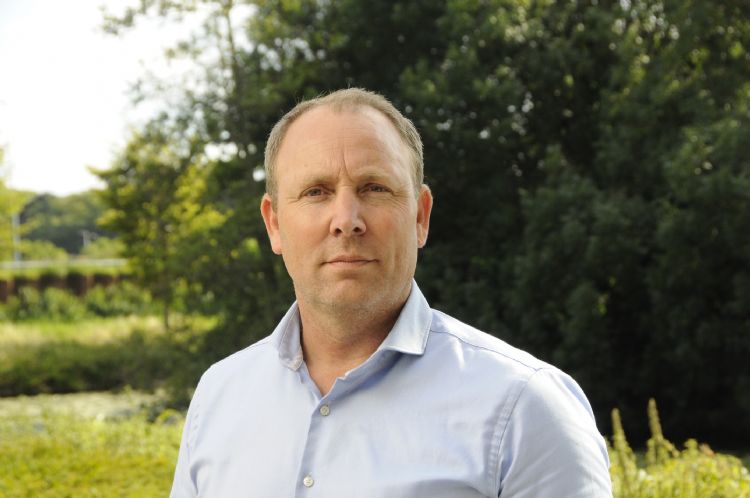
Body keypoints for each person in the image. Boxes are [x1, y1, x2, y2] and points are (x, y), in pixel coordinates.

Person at [169, 88, 613, 497]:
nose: (346, 220)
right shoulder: (219, 396)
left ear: (420, 216)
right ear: (274, 224)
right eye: (316, 192)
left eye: (374, 188)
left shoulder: (525, 410)